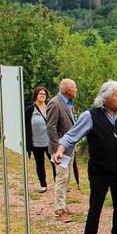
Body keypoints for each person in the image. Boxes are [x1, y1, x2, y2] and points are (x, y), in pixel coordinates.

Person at [54, 80, 117, 234]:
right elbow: (71, 136)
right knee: (96, 206)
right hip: (100, 169)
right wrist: (60, 150)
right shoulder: (90, 116)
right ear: (106, 97)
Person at [47, 78, 78, 222]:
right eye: (75, 87)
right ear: (68, 90)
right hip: (59, 150)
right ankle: (59, 210)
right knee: (61, 178)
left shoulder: (68, 103)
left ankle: (63, 206)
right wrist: (55, 151)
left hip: (69, 148)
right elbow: (51, 128)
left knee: (67, 177)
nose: (76, 90)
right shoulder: (55, 103)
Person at [25, 86, 57, 194]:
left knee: (55, 163)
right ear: (36, 95)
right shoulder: (30, 110)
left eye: (44, 94)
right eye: (40, 94)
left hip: (49, 142)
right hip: (36, 143)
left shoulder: (50, 108)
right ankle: (43, 184)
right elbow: (25, 126)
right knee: (40, 164)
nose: (43, 96)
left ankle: (58, 184)